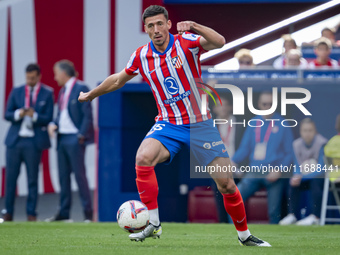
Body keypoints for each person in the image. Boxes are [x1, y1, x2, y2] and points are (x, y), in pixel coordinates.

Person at [78, 5, 270, 246]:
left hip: (200, 124)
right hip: (168, 124)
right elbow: (118, 79)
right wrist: (91, 95)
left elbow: (220, 42)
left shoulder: (186, 42)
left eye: (160, 24)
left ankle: (244, 235)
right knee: (143, 157)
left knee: (226, 184)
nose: (156, 30)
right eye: (151, 26)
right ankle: (154, 223)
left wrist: (195, 26)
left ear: (168, 24)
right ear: (145, 29)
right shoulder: (141, 56)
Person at [232, 91, 294, 224]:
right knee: (235, 199)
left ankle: (275, 242)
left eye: (271, 104)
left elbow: (290, 153)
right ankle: (236, 233)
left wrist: (279, 170)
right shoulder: (253, 122)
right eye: (265, 104)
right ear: (259, 104)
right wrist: (232, 161)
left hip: (274, 172)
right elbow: (245, 148)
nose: (268, 107)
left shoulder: (283, 124)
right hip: (254, 171)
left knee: (274, 211)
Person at [2, 63, 54, 221]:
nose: (30, 80)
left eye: (32, 78)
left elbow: (49, 117)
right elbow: (7, 113)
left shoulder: (47, 93)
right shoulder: (17, 91)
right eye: (27, 78)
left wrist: (34, 115)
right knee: (10, 179)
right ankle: (8, 212)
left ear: (38, 76)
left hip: (33, 142)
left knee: (33, 179)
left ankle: (31, 213)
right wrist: (20, 113)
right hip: (15, 141)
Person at [46, 60, 94, 222]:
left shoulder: (81, 88)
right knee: (63, 177)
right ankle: (64, 213)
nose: (55, 77)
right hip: (61, 138)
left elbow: (87, 114)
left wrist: (81, 135)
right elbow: (61, 114)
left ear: (64, 73)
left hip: (74, 138)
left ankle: (88, 213)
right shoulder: (62, 91)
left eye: (56, 73)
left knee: (80, 177)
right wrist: (53, 124)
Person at [279, 118, 327, 226]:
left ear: (315, 131)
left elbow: (321, 168)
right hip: (304, 177)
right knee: (292, 182)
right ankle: (291, 215)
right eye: (305, 130)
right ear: (300, 132)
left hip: (318, 178)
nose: (307, 133)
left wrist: (302, 177)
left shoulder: (322, 143)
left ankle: (315, 217)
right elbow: (297, 165)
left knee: (316, 182)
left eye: (310, 130)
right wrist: (297, 176)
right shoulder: (296, 144)